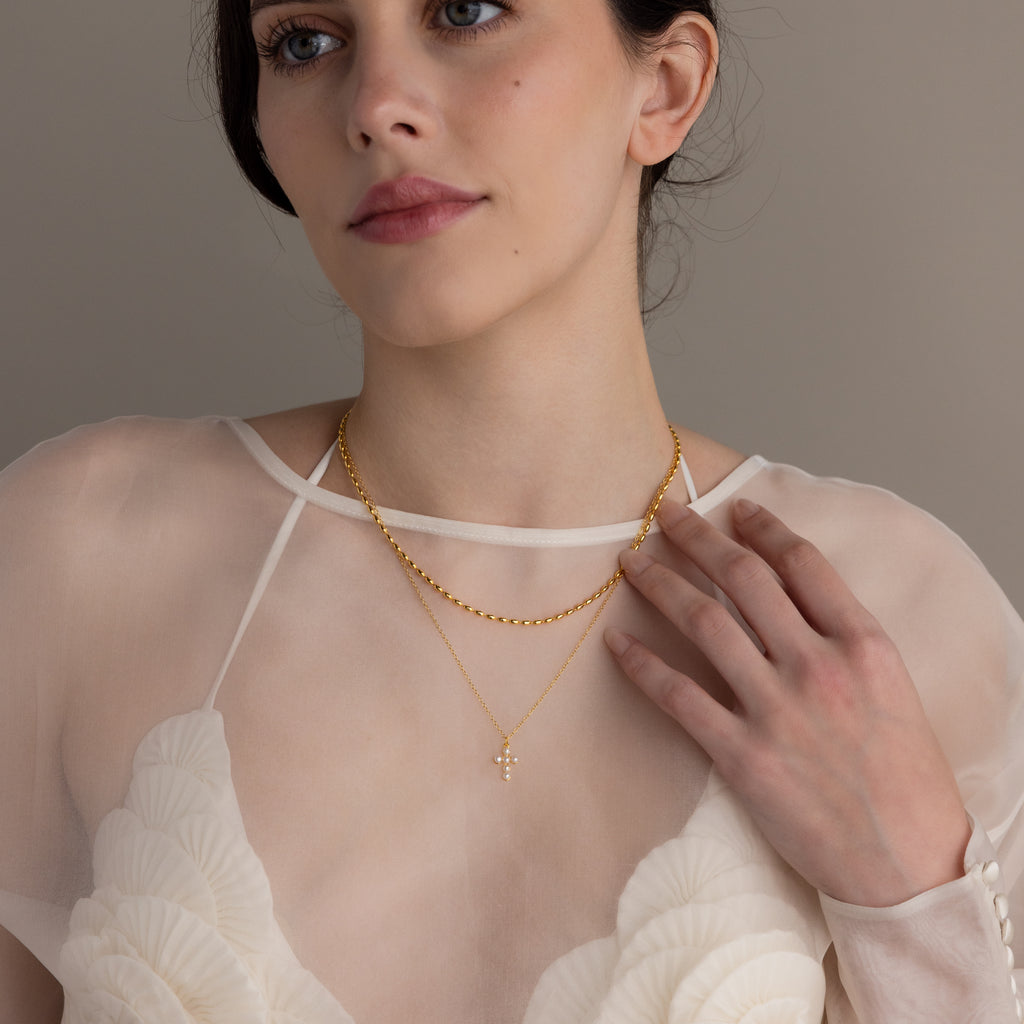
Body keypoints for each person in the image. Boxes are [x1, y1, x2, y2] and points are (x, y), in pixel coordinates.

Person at [1, 0, 1022, 1021]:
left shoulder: (896, 611)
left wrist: (917, 904)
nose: (376, 106)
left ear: (663, 87)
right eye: (305, 42)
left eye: (464, 11)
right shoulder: (83, 556)